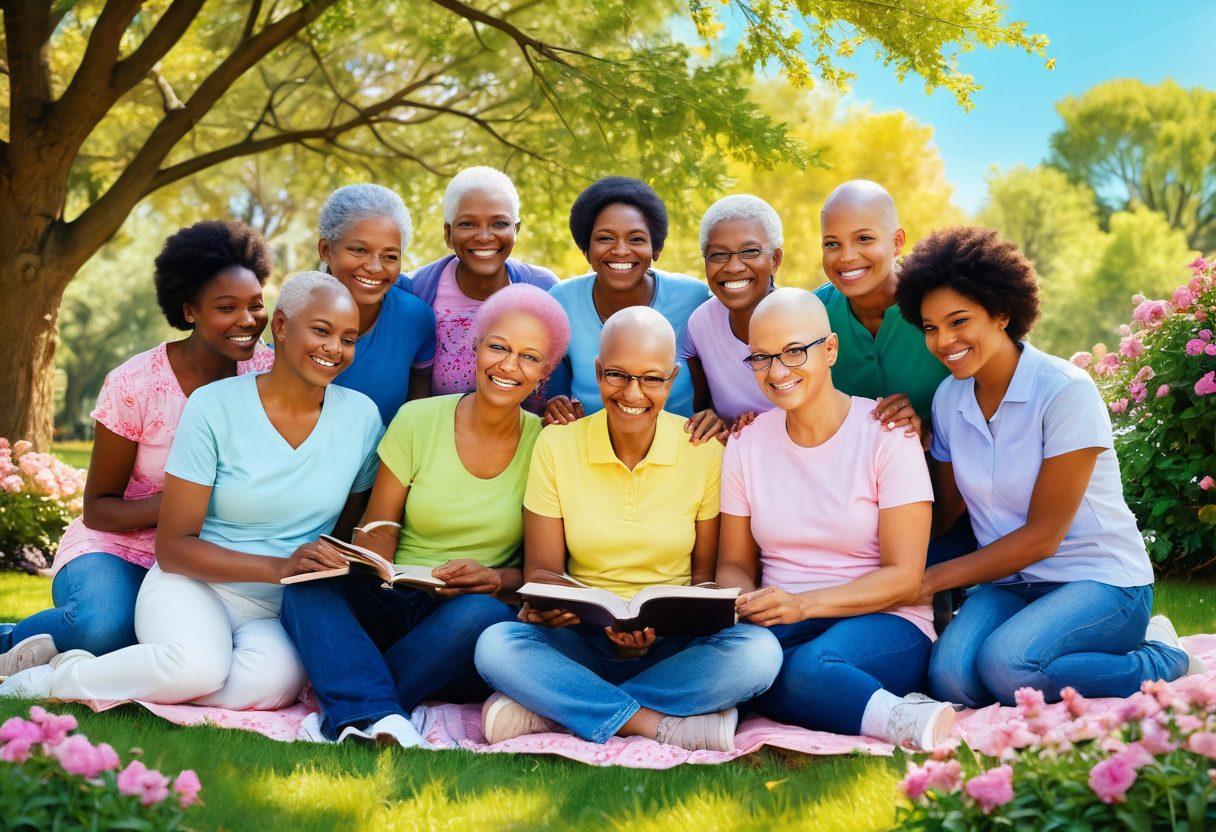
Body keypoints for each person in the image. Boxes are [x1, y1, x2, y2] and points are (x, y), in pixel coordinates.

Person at [1, 273, 383, 708]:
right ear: (280, 326)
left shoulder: (362, 419)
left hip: (275, 607)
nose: (334, 349)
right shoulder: (215, 405)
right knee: (197, 667)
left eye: (348, 338)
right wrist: (281, 566)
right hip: (193, 583)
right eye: (321, 331)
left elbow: (347, 529)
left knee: (271, 688)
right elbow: (174, 548)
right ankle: (57, 679)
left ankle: (135, 674)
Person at [893, 226, 1197, 708]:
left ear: (1002, 313)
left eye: (958, 321)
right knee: (952, 680)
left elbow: (1043, 537)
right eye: (930, 327)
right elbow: (946, 511)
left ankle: (1160, 657)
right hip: (1012, 584)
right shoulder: (950, 399)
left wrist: (926, 581)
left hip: (1099, 578)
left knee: (1010, 669)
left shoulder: (1063, 391)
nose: (943, 340)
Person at [474, 307, 782, 752]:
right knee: (497, 644)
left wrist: (673, 621)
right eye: (617, 375)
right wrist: (552, 607)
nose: (633, 393)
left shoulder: (704, 451)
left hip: (672, 645)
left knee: (759, 653)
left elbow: (704, 579)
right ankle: (655, 723)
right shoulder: (558, 443)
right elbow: (541, 571)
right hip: (579, 639)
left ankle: (555, 709)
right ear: (598, 371)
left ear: (672, 379)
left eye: (652, 379)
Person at [280, 284, 571, 748]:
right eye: (498, 347)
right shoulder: (417, 418)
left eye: (528, 357)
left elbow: (541, 571)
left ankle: (352, 706)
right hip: (394, 594)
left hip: (460, 619)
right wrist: (374, 566)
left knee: (480, 616)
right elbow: (379, 525)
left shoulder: (548, 444)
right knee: (305, 588)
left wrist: (494, 579)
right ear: (475, 347)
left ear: (545, 371)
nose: (508, 366)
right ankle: (384, 714)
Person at [0, 221, 275, 679]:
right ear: (190, 311)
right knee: (103, 627)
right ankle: (11, 641)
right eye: (227, 307)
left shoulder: (266, 371)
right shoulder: (136, 383)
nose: (248, 321)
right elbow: (100, 510)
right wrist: (182, 505)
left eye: (256, 304)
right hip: (117, 548)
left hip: (205, 554)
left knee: (172, 640)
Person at [716, 288, 954, 750]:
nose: (777, 371)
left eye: (793, 351)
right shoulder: (746, 442)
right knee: (738, 664)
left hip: (886, 618)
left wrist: (803, 605)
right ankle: (842, 700)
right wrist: (748, 606)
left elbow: (905, 577)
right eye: (761, 357)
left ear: (830, 350)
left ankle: (902, 719)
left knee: (806, 670)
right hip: (780, 619)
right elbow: (733, 564)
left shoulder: (887, 435)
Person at [544, 177, 723, 442]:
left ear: (656, 248)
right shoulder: (561, 302)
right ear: (586, 250)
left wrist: (712, 413)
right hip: (593, 450)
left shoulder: (693, 300)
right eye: (605, 238)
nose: (620, 251)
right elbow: (553, 387)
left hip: (684, 450)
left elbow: (719, 376)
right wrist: (556, 405)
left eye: (636, 239)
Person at [402, 167, 557, 410]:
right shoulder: (417, 291)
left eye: (499, 223)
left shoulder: (544, 290)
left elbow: (560, 381)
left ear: (515, 229)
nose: (484, 236)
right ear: (448, 233)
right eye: (468, 224)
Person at [317, 184, 437, 424]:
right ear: (326, 250)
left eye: (390, 256)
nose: (374, 267)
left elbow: (415, 412)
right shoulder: (297, 311)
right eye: (359, 250)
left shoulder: (414, 318)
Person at [680, 195, 780, 433]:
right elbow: (703, 406)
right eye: (718, 254)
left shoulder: (801, 319)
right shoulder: (701, 323)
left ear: (775, 259)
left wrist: (759, 431)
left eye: (750, 251)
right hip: (733, 457)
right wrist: (714, 422)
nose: (734, 266)